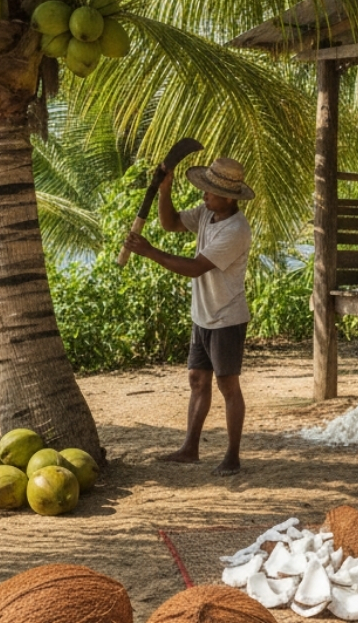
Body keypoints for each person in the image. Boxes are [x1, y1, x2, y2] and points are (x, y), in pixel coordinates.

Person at [123, 157, 253, 476]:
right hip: (203, 314)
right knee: (197, 380)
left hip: (226, 318)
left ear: (229, 198)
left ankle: (232, 457)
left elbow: (195, 268)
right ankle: (190, 448)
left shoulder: (236, 230)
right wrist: (164, 190)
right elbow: (171, 223)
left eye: (210, 191)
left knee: (227, 385)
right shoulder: (208, 214)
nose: (204, 195)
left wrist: (150, 252)